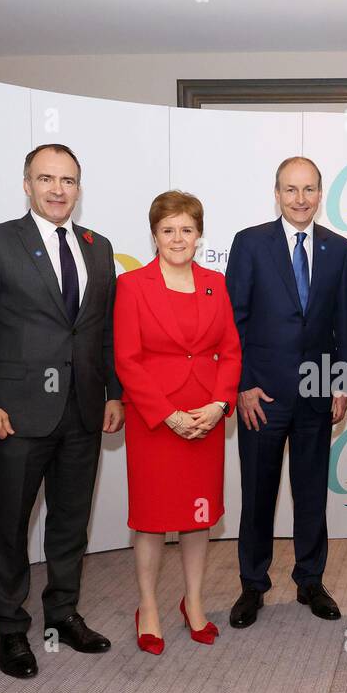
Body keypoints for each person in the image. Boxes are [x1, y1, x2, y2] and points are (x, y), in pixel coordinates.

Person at [0, 143, 124, 679]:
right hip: (16, 415)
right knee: (9, 524)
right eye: (46, 179)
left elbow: (102, 333)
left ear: (79, 187)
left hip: (81, 412)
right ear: (26, 184)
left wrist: (113, 393)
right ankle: (10, 629)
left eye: (68, 180)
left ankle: (63, 614)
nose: (57, 189)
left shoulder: (99, 248)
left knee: (71, 522)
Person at [225, 156, 347, 628]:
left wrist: (343, 382)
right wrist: (241, 386)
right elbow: (233, 321)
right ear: (276, 194)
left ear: (320, 195)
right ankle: (252, 585)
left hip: (317, 394)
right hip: (262, 396)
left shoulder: (339, 250)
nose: (300, 199)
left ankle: (310, 580)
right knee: (257, 494)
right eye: (290, 189)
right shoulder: (250, 243)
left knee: (310, 493)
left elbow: (345, 323)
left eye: (309, 189)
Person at [113, 191, 241, 653]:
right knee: (150, 518)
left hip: (205, 420)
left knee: (197, 517)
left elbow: (230, 351)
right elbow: (126, 359)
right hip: (154, 422)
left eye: (186, 229)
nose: (178, 238)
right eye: (168, 230)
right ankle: (147, 606)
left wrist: (219, 404)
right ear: (154, 235)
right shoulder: (131, 286)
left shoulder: (216, 282)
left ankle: (194, 601)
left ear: (199, 234)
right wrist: (167, 414)